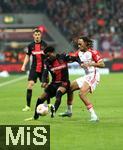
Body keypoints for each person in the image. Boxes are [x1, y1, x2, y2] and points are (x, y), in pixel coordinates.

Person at [60, 36, 105, 121]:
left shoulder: (93, 52)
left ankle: (94, 116)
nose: (78, 46)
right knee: (69, 88)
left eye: (80, 44)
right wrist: (64, 57)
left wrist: (91, 64)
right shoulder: (79, 53)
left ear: (86, 43)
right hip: (87, 75)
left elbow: (102, 64)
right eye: (78, 44)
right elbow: (72, 58)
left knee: (81, 94)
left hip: (94, 75)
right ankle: (69, 111)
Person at [30, 46, 78, 120]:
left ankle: (54, 110)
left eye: (48, 55)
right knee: (40, 98)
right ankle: (35, 116)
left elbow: (75, 58)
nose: (48, 57)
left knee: (59, 93)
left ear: (52, 53)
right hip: (54, 83)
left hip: (64, 82)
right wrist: (44, 82)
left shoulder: (63, 57)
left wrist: (81, 62)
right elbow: (45, 73)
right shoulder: (47, 62)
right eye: (46, 56)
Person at [21, 28, 47, 111]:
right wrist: (23, 65)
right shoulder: (30, 46)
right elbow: (28, 56)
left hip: (43, 68)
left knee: (46, 87)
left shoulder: (45, 45)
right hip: (34, 68)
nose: (37, 36)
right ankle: (28, 106)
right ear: (33, 36)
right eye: (35, 35)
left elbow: (48, 56)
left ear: (41, 35)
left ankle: (48, 104)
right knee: (30, 85)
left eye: (38, 35)